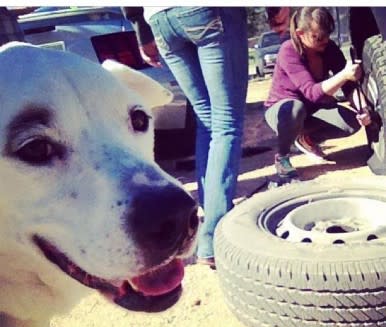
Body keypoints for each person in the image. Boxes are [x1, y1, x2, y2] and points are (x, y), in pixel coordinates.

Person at [122, 7, 249, 268]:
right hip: (208, 12)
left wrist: (141, 29)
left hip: (159, 20)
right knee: (226, 123)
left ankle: (209, 218)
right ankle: (212, 237)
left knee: (207, 121)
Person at [264, 6, 372, 179]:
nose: (325, 40)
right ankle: (282, 157)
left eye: (327, 34)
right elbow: (312, 93)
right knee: (295, 109)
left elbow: (349, 87)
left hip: (312, 108)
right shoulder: (288, 51)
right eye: (318, 37)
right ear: (300, 33)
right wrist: (344, 74)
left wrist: (363, 109)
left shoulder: (329, 48)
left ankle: (306, 139)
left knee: (351, 123)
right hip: (282, 110)